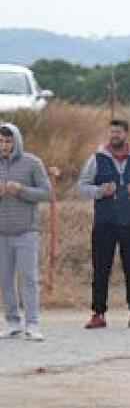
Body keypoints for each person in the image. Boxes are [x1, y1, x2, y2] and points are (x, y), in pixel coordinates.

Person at [77, 119, 130, 330]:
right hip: (105, 223)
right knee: (101, 269)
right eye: (112, 132)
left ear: (126, 134)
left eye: (118, 132)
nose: (114, 135)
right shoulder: (97, 159)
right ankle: (98, 313)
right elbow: (82, 186)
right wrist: (100, 191)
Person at [0, 123, 51, 341]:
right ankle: (12, 323)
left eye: (8, 141)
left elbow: (46, 193)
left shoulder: (32, 163)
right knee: (5, 280)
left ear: (16, 141)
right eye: (1, 141)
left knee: (28, 279)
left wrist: (21, 190)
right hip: (2, 232)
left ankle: (32, 324)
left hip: (26, 232)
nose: (4, 145)